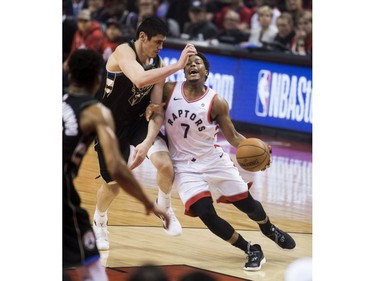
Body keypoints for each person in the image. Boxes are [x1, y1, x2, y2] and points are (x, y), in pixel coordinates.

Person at [147, 52, 296, 271]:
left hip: (212, 160)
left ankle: (268, 228)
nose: (192, 65)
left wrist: (262, 149)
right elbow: (151, 109)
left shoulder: (216, 102)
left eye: (197, 63)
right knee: (205, 213)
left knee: (247, 204)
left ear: (206, 72)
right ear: (183, 70)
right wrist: (149, 110)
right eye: (188, 64)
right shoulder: (170, 90)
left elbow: (234, 136)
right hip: (184, 166)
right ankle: (250, 248)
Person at [63, 49, 170, 281]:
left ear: (68, 73)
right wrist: (148, 202)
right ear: (98, 80)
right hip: (63, 196)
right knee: (92, 270)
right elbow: (118, 169)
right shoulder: (96, 112)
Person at [92, 16, 197, 250]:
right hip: (109, 125)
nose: (160, 48)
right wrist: (178, 66)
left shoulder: (158, 64)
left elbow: (157, 111)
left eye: (163, 43)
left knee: (165, 165)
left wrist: (147, 143)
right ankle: (99, 221)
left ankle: (165, 207)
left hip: (138, 120)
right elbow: (139, 80)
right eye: (157, 42)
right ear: (142, 37)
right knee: (114, 184)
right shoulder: (123, 52)